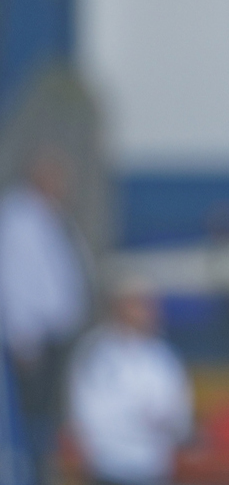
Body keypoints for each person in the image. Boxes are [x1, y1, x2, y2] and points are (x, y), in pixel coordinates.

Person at [0, 146, 93, 485]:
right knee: (33, 417)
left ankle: (42, 470)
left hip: (57, 335)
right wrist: (22, 335)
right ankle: (29, 474)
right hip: (34, 339)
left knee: (51, 416)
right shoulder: (19, 219)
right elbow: (15, 279)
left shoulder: (48, 215)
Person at [67, 279, 192, 485]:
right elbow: (88, 416)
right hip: (107, 467)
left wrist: (163, 422)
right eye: (139, 304)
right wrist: (139, 419)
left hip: (153, 468)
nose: (149, 312)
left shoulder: (163, 356)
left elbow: (179, 418)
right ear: (119, 306)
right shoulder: (95, 351)